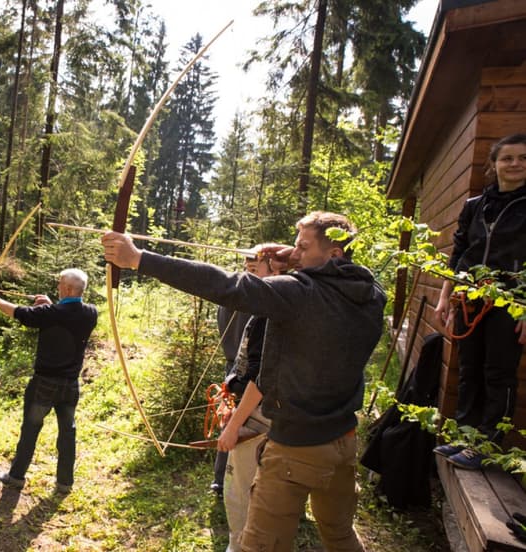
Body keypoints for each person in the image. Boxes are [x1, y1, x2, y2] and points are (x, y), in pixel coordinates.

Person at [102, 211, 386, 552]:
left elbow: (227, 286)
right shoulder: (371, 293)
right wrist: (296, 254)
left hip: (297, 448)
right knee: (340, 536)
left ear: (334, 254)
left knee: (258, 547)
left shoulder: (299, 294)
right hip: (343, 441)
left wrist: (139, 259)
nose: (294, 253)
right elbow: (331, 276)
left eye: (302, 247)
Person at [433, 133, 526, 470]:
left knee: (498, 371)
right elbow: (459, 253)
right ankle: (466, 435)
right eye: (507, 158)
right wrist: (446, 295)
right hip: (469, 298)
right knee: (469, 367)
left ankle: (486, 443)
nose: (515, 164)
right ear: (494, 164)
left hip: (510, 301)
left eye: (522, 158)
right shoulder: (475, 207)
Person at [0, 268, 98, 494]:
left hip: (44, 385)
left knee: (31, 428)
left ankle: (16, 477)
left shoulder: (50, 313)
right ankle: (65, 483)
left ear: (67, 288)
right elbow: (62, 314)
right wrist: (48, 304)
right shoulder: (91, 313)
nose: (57, 287)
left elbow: (17, 312)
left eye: (59, 284)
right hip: (70, 385)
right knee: (68, 432)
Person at [217, 247, 284, 552]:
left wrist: (236, 422)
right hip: (250, 397)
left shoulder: (278, 307)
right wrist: (231, 384)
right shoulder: (266, 303)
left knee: (242, 489)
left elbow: (262, 374)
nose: (252, 275)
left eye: (259, 269)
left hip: (260, 409)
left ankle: (241, 545)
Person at [211, 259, 254, 498]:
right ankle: (224, 481)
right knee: (234, 422)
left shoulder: (233, 290)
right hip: (243, 370)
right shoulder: (254, 296)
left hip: (234, 368)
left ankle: (220, 482)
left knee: (230, 421)